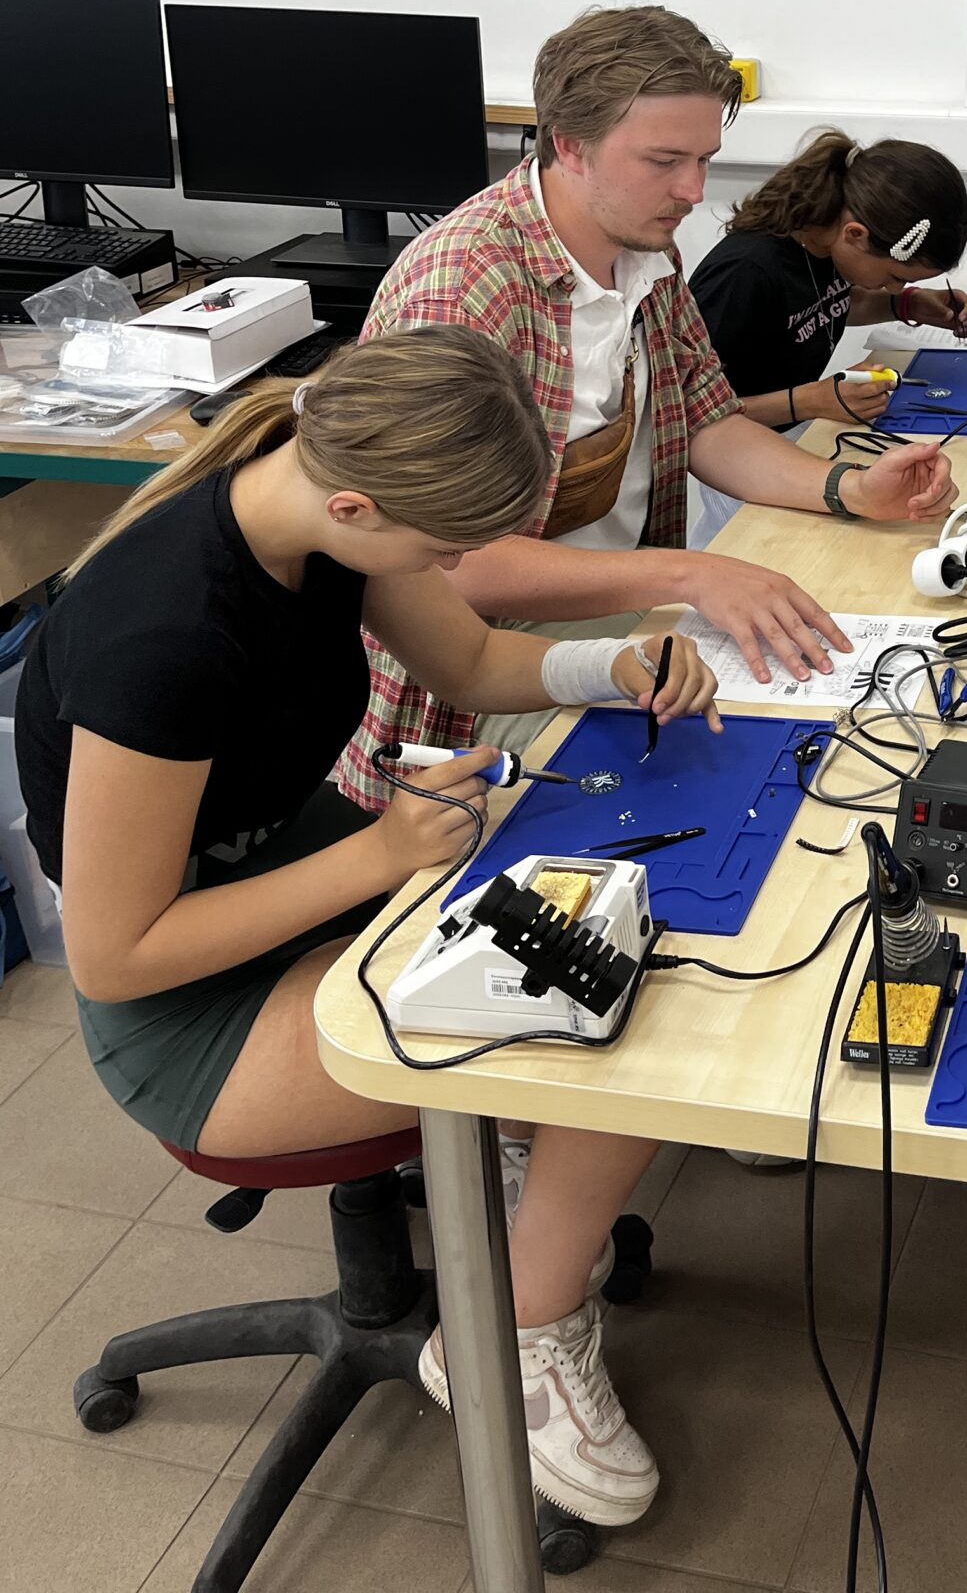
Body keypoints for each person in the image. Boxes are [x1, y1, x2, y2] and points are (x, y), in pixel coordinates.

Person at [16, 328, 726, 1531]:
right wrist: (382, 854)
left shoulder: (321, 515)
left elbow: (474, 656)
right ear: (357, 506)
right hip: (180, 1005)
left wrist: (619, 662)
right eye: (442, 548)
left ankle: (522, 1181)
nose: (451, 566)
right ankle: (518, 1334)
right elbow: (114, 954)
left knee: (619, 919)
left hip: (286, 870)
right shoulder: (166, 639)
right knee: (611, 1022)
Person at [335, 5, 953, 811]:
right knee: (761, 779)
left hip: (621, 610)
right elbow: (457, 562)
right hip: (476, 675)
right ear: (569, 144)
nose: (693, 192)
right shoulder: (465, 288)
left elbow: (705, 419)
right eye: (665, 161)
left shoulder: (643, 247)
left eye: (703, 160)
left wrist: (848, 489)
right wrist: (690, 573)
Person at [691, 129, 967, 431]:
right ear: (855, 235)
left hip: (783, 429)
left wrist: (906, 305)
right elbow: (686, 411)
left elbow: (821, 307)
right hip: (731, 445)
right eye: (896, 277)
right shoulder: (743, 274)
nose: (898, 287)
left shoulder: (822, 239)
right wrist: (808, 402)